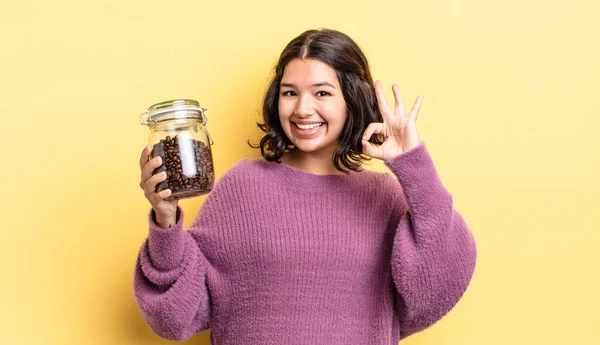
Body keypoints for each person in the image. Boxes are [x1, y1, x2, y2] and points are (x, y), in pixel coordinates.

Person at [134, 28, 477, 344]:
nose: (302, 109)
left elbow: (435, 289)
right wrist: (165, 219)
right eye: (290, 93)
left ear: (351, 100)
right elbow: (175, 316)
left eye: (322, 93)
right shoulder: (243, 187)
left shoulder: (383, 197)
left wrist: (413, 163)